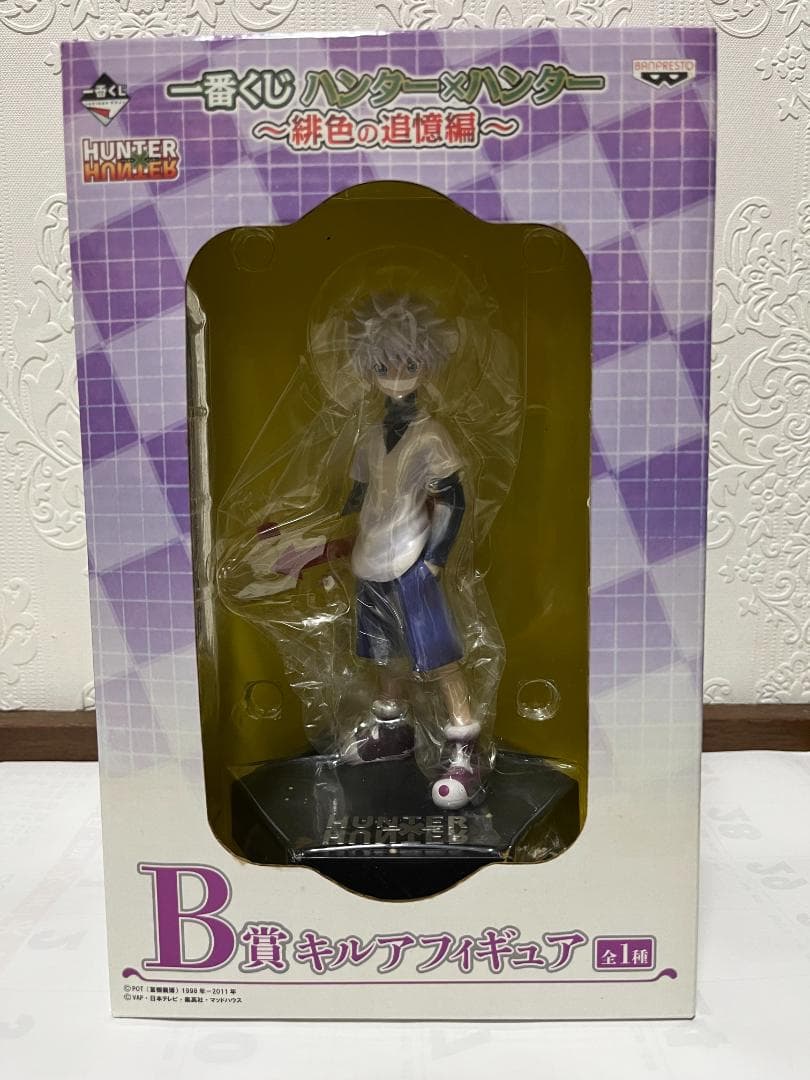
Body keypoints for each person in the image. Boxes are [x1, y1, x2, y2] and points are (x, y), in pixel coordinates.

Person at [339, 293, 481, 810]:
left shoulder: (431, 435)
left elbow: (454, 499)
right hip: (371, 557)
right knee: (384, 652)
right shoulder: (369, 438)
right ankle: (393, 731)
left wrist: (436, 558)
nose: (396, 375)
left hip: (415, 557)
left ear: (426, 366)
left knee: (438, 656)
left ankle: (464, 745)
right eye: (383, 365)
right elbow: (357, 497)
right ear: (368, 369)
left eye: (408, 363)